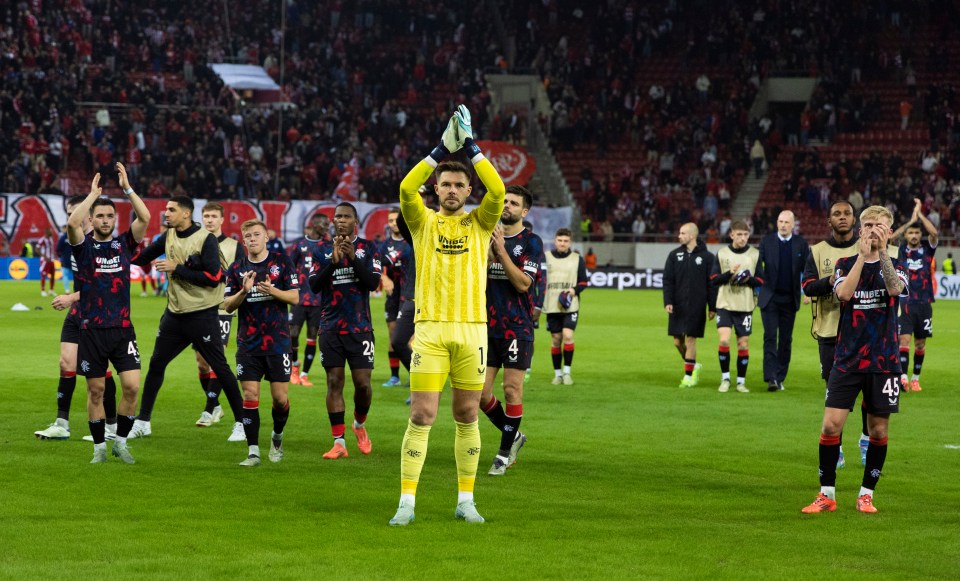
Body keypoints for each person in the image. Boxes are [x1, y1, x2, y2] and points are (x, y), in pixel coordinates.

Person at [389, 105, 505, 526]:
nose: (452, 190)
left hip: (473, 331)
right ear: (436, 189)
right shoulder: (421, 222)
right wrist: (440, 150)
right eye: (446, 185)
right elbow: (405, 187)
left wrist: (470, 145)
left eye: (459, 185)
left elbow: (499, 189)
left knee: (467, 414)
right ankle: (406, 501)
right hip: (431, 331)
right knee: (421, 415)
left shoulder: (480, 222)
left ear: (467, 190)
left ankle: (465, 500)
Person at [801, 206, 908, 514]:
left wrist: (882, 253)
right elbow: (845, 294)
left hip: (884, 361)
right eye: (869, 224)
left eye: (880, 225)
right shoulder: (844, 263)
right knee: (831, 425)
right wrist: (862, 256)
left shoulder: (897, 266)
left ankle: (866, 494)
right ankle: (827, 494)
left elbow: (894, 289)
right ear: (861, 230)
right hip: (846, 358)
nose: (873, 229)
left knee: (877, 431)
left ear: (888, 231)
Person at [128, 195, 246, 443]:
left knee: (221, 368)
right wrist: (117, 255)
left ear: (185, 213)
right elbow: (142, 257)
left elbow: (215, 277)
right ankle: (143, 421)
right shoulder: (168, 235)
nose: (166, 213)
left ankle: (241, 423)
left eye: (171, 210)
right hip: (174, 315)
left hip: (202, 315)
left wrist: (177, 268)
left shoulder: (205, 239)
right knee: (157, 364)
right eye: (166, 209)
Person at [68, 164, 151, 463]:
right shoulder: (83, 247)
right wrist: (93, 195)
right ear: (93, 219)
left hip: (123, 329)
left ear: (115, 220)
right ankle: (99, 448)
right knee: (97, 390)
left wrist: (127, 188)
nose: (105, 220)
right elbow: (73, 223)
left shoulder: (124, 245)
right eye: (100, 216)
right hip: (91, 330)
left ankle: (121, 442)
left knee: (131, 387)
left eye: (110, 216)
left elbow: (145, 217)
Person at [34, 195, 119, 443]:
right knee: (66, 363)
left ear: (89, 215)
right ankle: (62, 424)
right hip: (78, 312)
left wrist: (72, 297)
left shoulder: (105, 245)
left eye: (77, 212)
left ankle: (112, 425)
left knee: (101, 371)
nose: (73, 217)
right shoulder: (75, 242)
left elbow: (106, 284)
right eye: (70, 212)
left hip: (99, 314)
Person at [308, 203, 383, 459]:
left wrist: (352, 258)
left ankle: (359, 425)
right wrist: (333, 262)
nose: (341, 220)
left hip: (360, 328)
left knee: (363, 385)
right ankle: (339, 442)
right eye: (338, 216)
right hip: (330, 327)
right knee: (334, 382)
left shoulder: (368, 248)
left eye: (346, 216)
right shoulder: (320, 250)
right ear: (333, 221)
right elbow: (314, 285)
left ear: (355, 221)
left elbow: (373, 283)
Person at [223, 220, 299, 466]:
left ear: (267, 237)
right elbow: (227, 305)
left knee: (279, 399)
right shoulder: (236, 268)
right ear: (243, 240)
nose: (252, 239)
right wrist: (243, 292)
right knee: (250, 393)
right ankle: (253, 451)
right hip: (248, 343)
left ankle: (277, 436)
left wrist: (272, 291)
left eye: (257, 234)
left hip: (278, 343)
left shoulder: (282, 262)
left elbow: (295, 297)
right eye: (248, 236)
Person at [479, 185, 542, 475]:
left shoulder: (531, 242)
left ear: (524, 211)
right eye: (504, 201)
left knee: (512, 388)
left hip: (517, 326)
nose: (506, 206)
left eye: (513, 203)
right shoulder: (484, 236)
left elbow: (523, 284)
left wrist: (501, 252)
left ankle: (503, 454)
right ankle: (514, 435)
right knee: (480, 394)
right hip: (485, 325)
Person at [802, 200, 870, 469]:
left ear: (855, 220)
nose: (842, 218)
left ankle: (866, 439)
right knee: (835, 393)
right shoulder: (817, 251)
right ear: (828, 221)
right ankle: (837, 443)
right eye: (837, 214)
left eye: (847, 214)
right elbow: (807, 287)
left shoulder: (865, 247)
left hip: (866, 332)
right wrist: (830, 281)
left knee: (869, 391)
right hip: (831, 332)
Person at [194, 202, 245, 427]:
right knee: (201, 363)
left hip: (222, 308)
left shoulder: (235, 246)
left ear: (222, 220)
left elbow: (242, 275)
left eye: (214, 216)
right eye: (206, 216)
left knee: (217, 358)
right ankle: (215, 406)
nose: (209, 220)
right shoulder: (195, 242)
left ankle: (208, 410)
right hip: (198, 308)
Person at [756, 210, 810, 391]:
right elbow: (757, 265)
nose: (783, 225)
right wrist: (760, 284)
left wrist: (808, 291)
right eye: (780, 221)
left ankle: (780, 377)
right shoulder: (767, 241)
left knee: (786, 340)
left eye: (787, 222)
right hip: (769, 298)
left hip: (789, 299)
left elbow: (807, 270)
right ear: (777, 223)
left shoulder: (801, 244)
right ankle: (771, 377)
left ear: (793, 224)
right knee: (770, 337)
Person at [890, 198, 939, 392]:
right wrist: (910, 221)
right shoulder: (900, 251)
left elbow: (934, 233)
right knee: (903, 340)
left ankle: (915, 378)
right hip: (905, 302)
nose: (913, 235)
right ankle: (902, 377)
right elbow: (892, 237)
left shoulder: (928, 250)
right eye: (911, 232)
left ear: (920, 235)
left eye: (917, 232)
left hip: (924, 303)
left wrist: (920, 216)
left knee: (920, 342)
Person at [663, 223, 716, 388]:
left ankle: (688, 376)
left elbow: (712, 284)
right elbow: (668, 280)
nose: (679, 236)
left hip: (697, 305)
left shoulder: (707, 257)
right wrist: (668, 301)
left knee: (691, 339)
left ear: (692, 235)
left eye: (682, 233)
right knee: (678, 342)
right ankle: (694, 366)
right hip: (678, 305)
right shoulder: (674, 255)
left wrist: (712, 307)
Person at [709, 220, 759, 393]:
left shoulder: (754, 254)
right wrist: (729, 274)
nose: (743, 238)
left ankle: (740, 382)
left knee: (743, 345)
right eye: (739, 234)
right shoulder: (722, 253)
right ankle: (725, 379)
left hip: (745, 306)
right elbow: (714, 278)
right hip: (725, 303)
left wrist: (747, 279)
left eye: (745, 235)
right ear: (731, 235)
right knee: (724, 339)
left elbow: (761, 279)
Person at [287, 212, 329, 387]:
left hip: (318, 300)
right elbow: (289, 268)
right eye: (324, 224)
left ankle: (304, 374)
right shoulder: (299, 245)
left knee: (312, 337)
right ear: (315, 225)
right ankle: (294, 368)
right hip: (299, 299)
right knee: (293, 334)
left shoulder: (327, 246)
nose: (327, 227)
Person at [543, 228, 588, 385]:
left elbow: (584, 282)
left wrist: (573, 290)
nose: (562, 243)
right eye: (560, 240)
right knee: (556, 339)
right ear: (555, 241)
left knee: (568, 336)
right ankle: (558, 374)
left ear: (570, 242)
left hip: (570, 306)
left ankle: (567, 372)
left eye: (566, 241)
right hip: (551, 305)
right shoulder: (546, 258)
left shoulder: (577, 259)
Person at [379, 208, 413, 387]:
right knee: (393, 334)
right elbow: (374, 265)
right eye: (390, 220)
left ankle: (414, 374)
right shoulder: (384, 245)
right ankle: (394, 376)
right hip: (392, 296)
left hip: (409, 296)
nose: (393, 223)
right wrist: (384, 277)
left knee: (408, 338)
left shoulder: (412, 241)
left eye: (396, 220)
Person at [36, 227, 57, 297]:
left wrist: (54, 256)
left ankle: (51, 290)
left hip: (51, 260)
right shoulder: (42, 240)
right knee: (44, 274)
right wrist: (44, 257)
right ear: (47, 232)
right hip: (45, 261)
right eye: (50, 231)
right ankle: (43, 290)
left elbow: (51, 249)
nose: (52, 232)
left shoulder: (50, 239)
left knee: (53, 275)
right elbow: (37, 249)